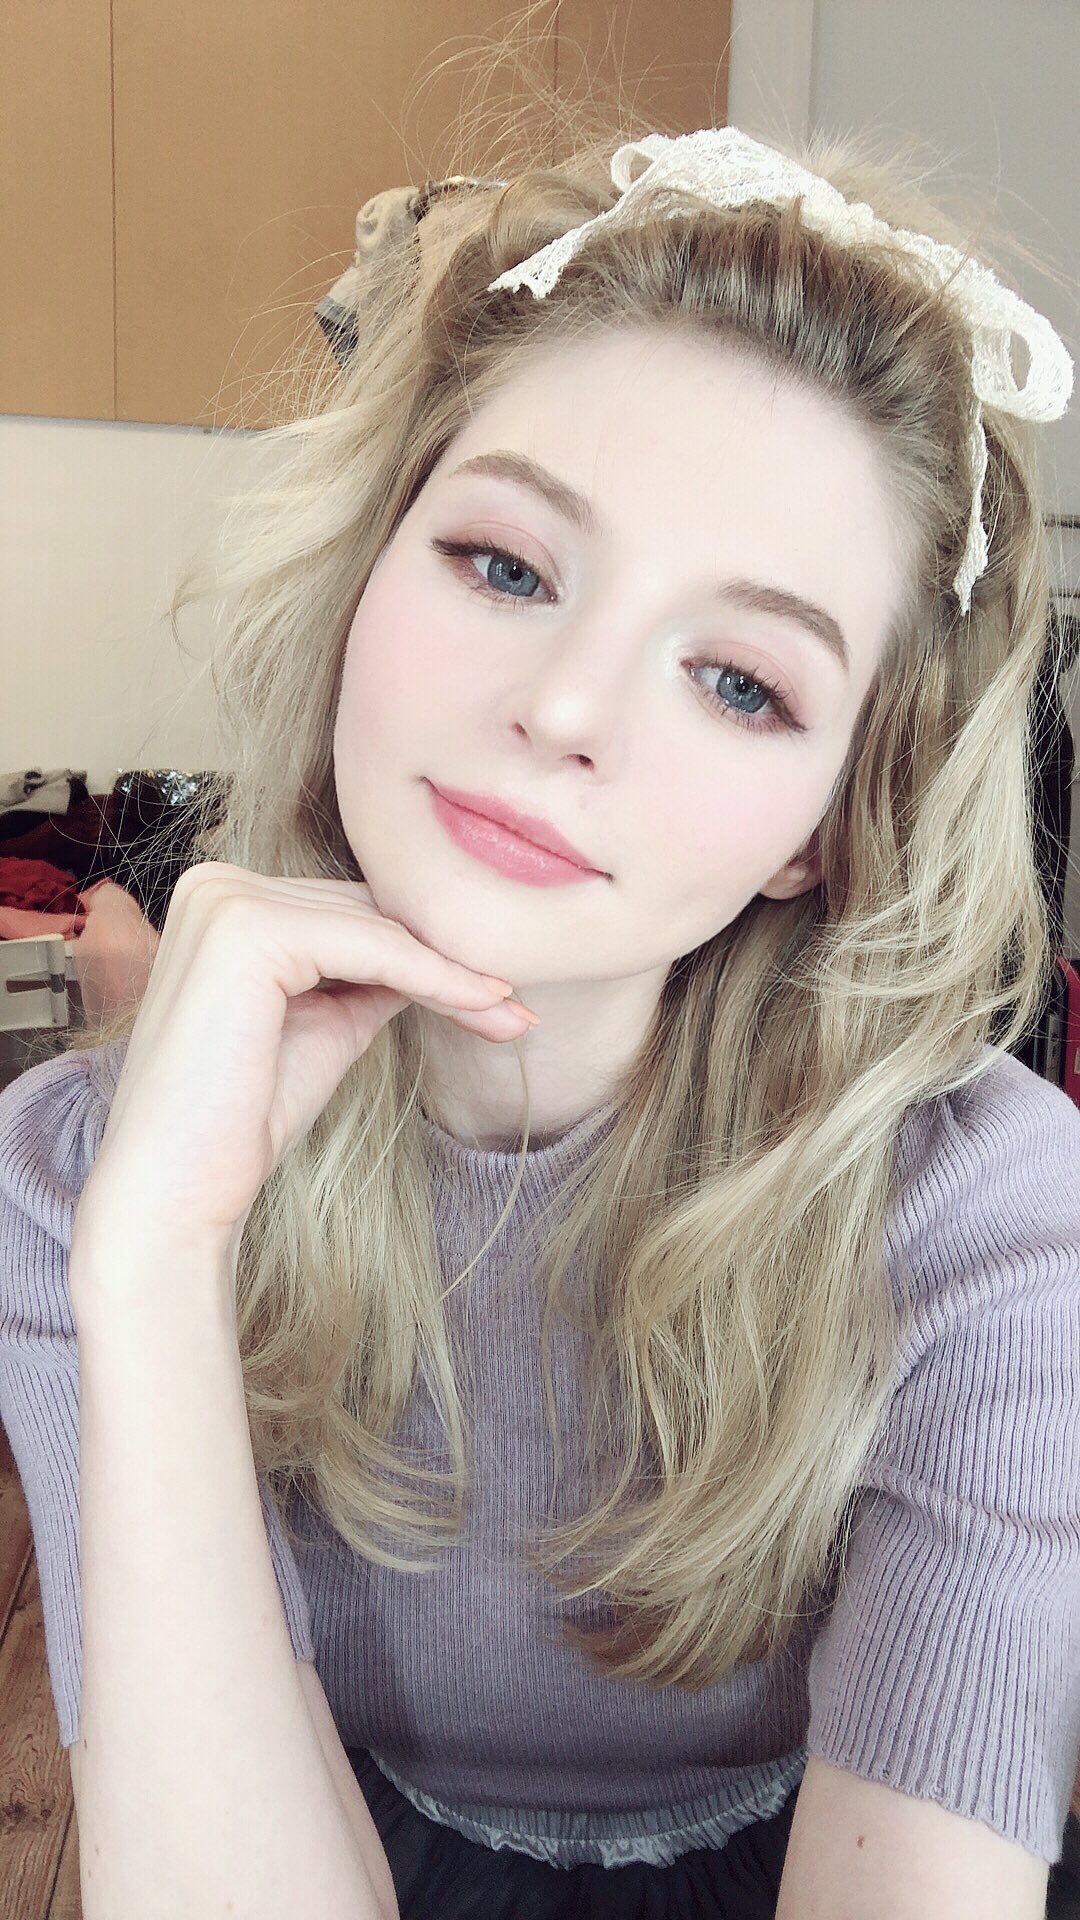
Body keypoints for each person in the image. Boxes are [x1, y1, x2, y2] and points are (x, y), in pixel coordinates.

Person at [1, 98, 1078, 1920]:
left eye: (739, 681)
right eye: (505, 567)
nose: (568, 707)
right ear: (364, 573)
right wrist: (158, 1261)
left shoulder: (988, 1211)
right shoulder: (77, 1176)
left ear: (824, 833)